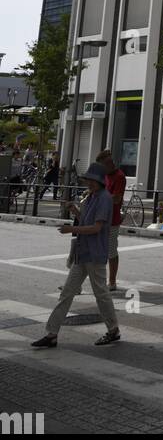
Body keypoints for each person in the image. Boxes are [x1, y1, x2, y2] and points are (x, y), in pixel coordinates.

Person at [31, 162, 120, 348]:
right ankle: (51, 333)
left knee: (101, 293)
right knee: (67, 293)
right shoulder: (92, 197)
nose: (89, 183)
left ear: (99, 181)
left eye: (92, 180)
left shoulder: (104, 198)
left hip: (95, 254)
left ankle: (113, 330)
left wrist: (71, 228)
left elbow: (97, 227)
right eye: (88, 180)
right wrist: (75, 211)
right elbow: (87, 220)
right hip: (83, 252)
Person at [95, 148, 126, 293]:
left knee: (111, 251)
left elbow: (117, 198)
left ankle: (112, 281)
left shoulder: (119, 176)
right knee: (97, 250)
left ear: (109, 163)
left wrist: (101, 197)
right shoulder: (104, 175)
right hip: (101, 218)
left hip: (112, 220)